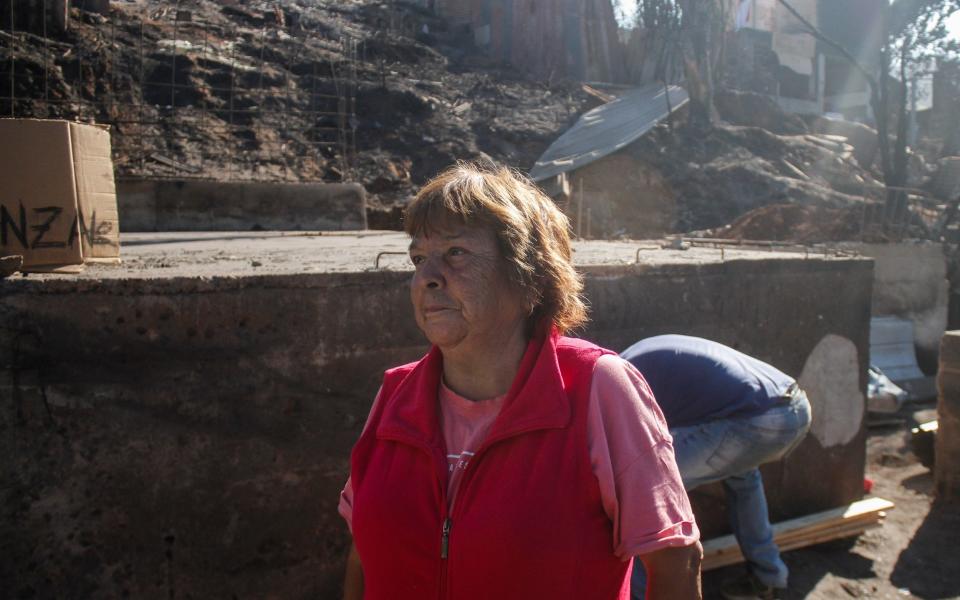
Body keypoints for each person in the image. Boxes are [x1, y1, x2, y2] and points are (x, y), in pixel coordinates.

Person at [338, 163, 702, 600]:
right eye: (418, 258)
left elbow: (675, 560)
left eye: (456, 252)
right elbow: (361, 556)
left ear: (528, 273)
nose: (425, 277)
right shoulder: (396, 395)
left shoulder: (596, 387)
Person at [620, 335, 813, 600]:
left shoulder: (621, 380)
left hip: (760, 419)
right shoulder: (636, 359)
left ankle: (637, 594)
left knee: (649, 498)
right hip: (794, 408)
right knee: (743, 479)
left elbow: (632, 449)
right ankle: (768, 576)